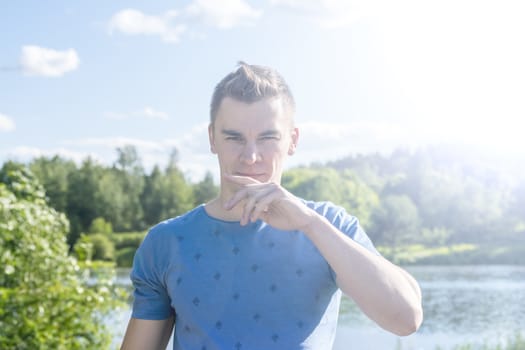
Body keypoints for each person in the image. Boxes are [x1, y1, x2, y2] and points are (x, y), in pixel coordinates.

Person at [121, 62, 423, 350]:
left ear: (292, 140)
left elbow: (406, 319)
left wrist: (310, 224)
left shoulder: (329, 224)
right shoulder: (166, 242)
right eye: (234, 138)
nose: (251, 157)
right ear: (212, 138)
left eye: (267, 138)